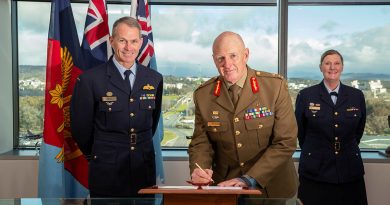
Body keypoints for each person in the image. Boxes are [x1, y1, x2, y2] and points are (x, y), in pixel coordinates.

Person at [188, 31, 298, 198]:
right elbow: (201, 143)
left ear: (246, 55)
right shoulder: (204, 95)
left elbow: (286, 142)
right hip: (227, 188)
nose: (227, 64)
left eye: (233, 56)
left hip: (272, 189)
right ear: (214, 60)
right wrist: (199, 169)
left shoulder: (274, 87)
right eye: (221, 58)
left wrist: (249, 178)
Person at [70, 17, 163, 197]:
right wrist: (99, 153)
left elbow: (152, 123)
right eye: (122, 41)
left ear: (141, 42)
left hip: (143, 166)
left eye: (134, 41)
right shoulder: (90, 80)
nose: (129, 48)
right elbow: (80, 129)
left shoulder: (154, 79)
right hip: (106, 168)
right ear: (112, 41)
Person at [295, 49, 367, 205]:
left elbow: (358, 131)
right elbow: (301, 132)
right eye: (327, 63)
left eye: (336, 63)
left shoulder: (356, 96)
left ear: (342, 67)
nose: (332, 67)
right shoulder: (306, 95)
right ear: (320, 67)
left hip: (349, 170)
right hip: (315, 171)